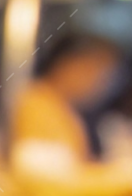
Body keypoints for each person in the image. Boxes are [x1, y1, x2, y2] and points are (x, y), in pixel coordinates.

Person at [10, 34, 122, 174]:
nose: (104, 85)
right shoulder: (36, 105)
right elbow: (45, 177)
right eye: (101, 74)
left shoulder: (58, 106)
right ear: (71, 65)